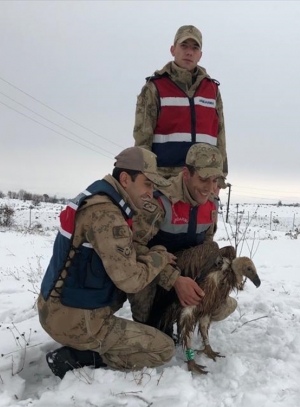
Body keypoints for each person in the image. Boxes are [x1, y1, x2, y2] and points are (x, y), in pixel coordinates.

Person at [37, 147, 181, 379]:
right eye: (147, 184)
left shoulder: (100, 196)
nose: (151, 193)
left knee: (141, 272)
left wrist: (148, 258)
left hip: (57, 306)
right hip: (72, 320)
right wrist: (160, 257)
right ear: (125, 179)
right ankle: (77, 358)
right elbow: (131, 280)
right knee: (163, 349)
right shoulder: (107, 214)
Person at [130, 143, 236, 333]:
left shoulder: (210, 204)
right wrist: (175, 280)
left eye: (215, 180)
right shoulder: (159, 201)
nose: (210, 188)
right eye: (204, 179)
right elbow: (132, 249)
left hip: (185, 273)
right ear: (186, 174)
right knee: (155, 337)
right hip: (153, 278)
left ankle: (183, 314)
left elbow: (205, 248)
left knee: (224, 296)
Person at [133, 25, 229, 190]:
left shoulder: (212, 89)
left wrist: (219, 178)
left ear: (200, 55)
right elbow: (143, 140)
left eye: (194, 47)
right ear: (173, 49)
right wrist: (146, 180)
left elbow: (220, 135)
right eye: (184, 46)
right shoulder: (154, 87)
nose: (189, 52)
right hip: (165, 182)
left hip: (203, 183)